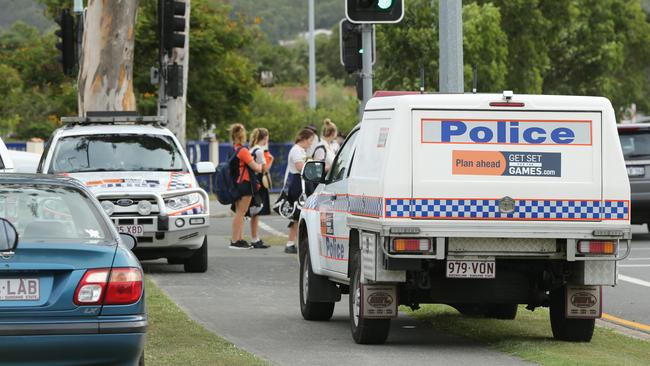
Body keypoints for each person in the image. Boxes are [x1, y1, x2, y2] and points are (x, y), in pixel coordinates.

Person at [229, 123, 264, 250]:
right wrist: (261, 166)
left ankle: (239, 238)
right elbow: (256, 167)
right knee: (241, 213)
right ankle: (235, 240)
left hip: (237, 183)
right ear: (241, 136)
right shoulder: (243, 150)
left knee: (239, 212)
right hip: (245, 183)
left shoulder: (233, 149)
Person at [283, 128, 316, 254]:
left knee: (301, 213)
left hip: (302, 182)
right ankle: (290, 242)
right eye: (310, 140)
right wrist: (312, 164)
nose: (311, 143)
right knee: (297, 213)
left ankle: (296, 242)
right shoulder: (296, 150)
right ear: (304, 139)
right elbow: (300, 167)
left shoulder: (301, 150)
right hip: (298, 183)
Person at [248, 128, 273, 249]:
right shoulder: (259, 151)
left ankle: (255, 238)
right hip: (258, 182)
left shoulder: (252, 149)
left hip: (252, 181)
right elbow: (264, 169)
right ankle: (254, 238)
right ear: (265, 138)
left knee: (254, 212)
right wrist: (271, 160)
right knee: (256, 212)